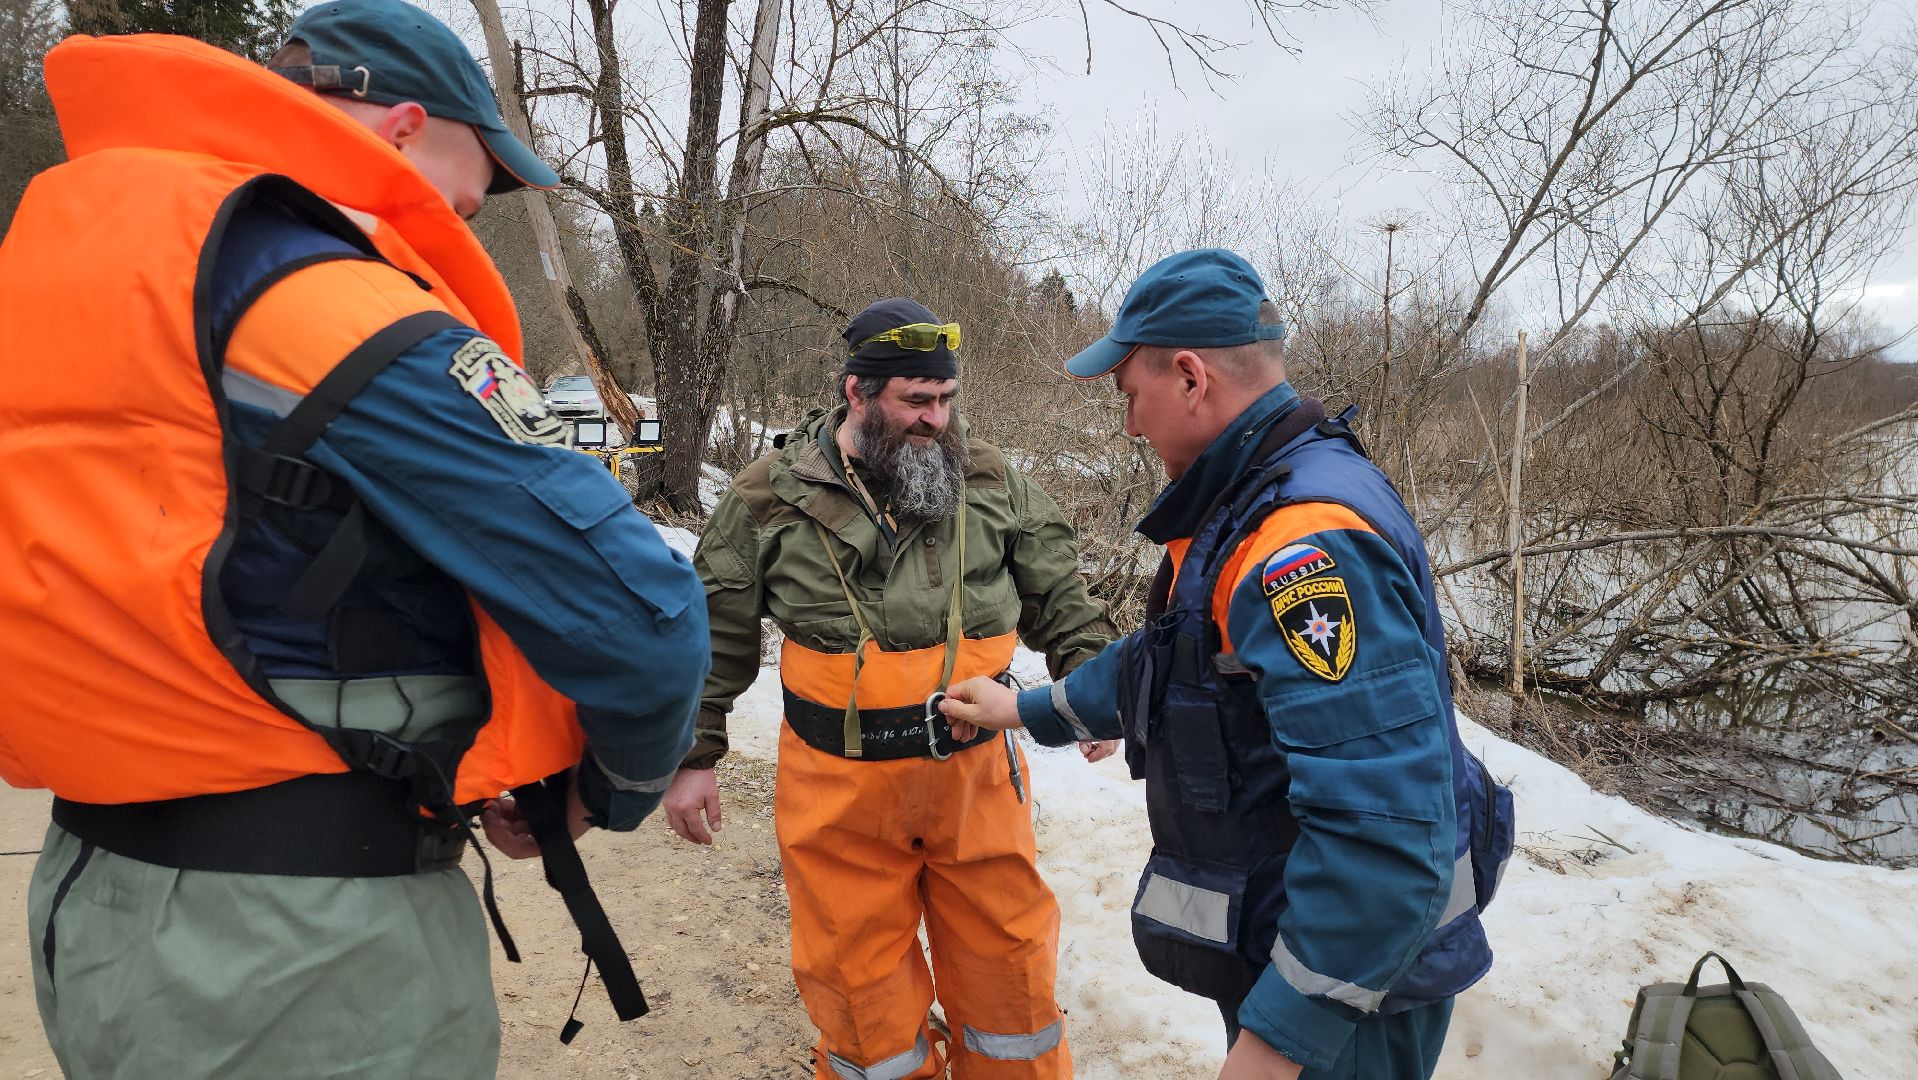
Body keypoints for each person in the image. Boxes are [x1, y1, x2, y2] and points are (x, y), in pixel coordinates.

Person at [0, 5, 709, 1077]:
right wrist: (606, 789)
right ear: (402, 130)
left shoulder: (66, 273)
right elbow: (646, 614)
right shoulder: (328, 304)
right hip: (298, 957)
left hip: (92, 903)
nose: (470, 220)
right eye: (476, 189)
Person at [942, 250, 1515, 1080]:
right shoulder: (1251, 502)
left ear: (1188, 377)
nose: (1130, 424)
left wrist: (1279, 1042)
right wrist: (1026, 711)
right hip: (1310, 954)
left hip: (1352, 990)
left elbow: (1384, 834)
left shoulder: (1300, 545)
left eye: (1129, 395)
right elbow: (1178, 658)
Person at [662, 298, 1116, 1079]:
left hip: (974, 783)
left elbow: (1062, 598)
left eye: (944, 399)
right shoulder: (768, 498)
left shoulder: (992, 480)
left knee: (1011, 981)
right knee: (858, 993)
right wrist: (693, 754)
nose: (935, 418)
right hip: (837, 794)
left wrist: (1092, 688)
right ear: (857, 393)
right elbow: (708, 635)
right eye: (915, 400)